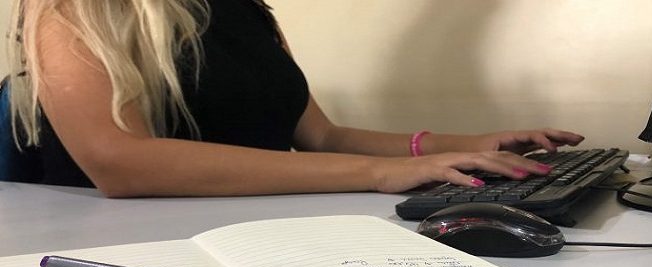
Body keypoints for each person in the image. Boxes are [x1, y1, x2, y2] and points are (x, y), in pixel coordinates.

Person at [6, 0, 584, 197]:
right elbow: (119, 162)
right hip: (129, 256)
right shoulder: (76, 8)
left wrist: (472, 145)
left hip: (258, 230)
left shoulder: (249, 11)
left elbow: (322, 137)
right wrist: (379, 174)